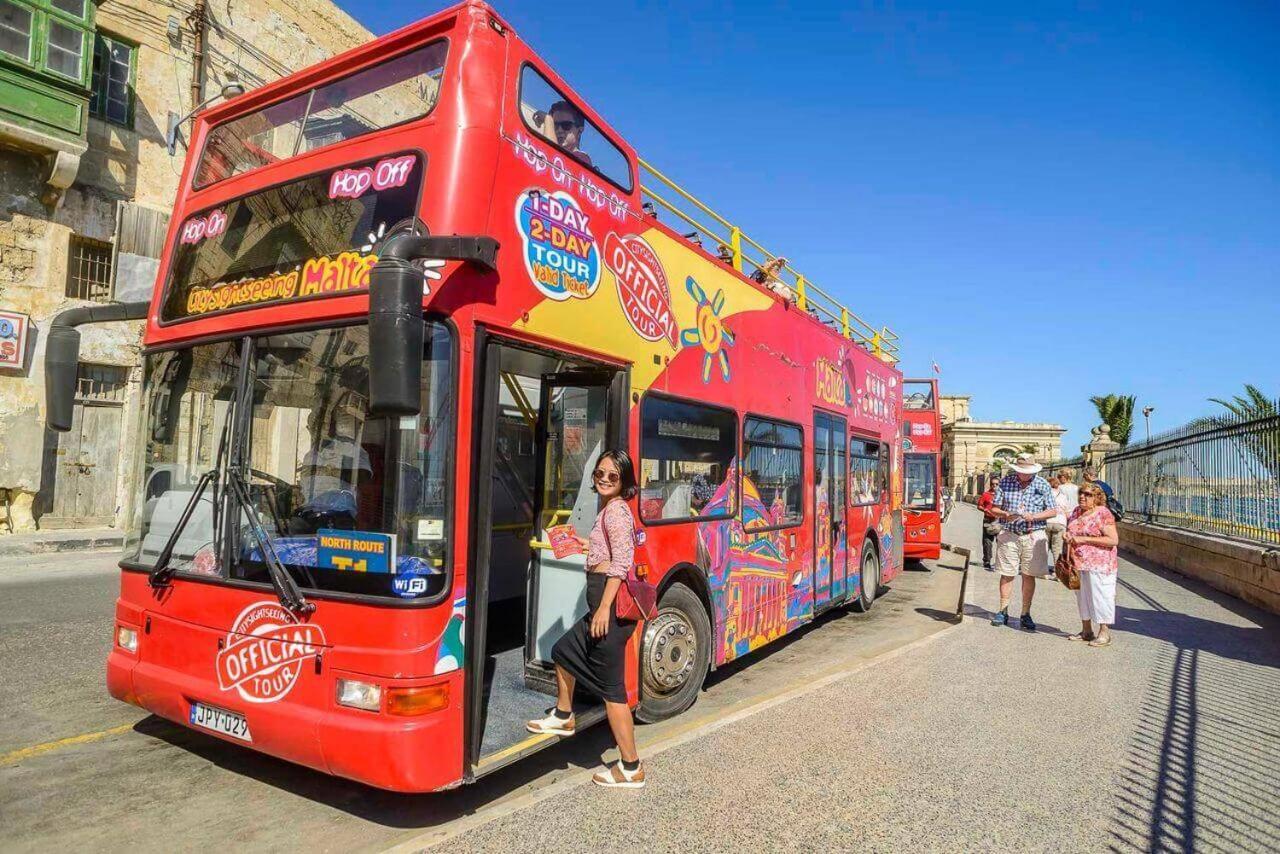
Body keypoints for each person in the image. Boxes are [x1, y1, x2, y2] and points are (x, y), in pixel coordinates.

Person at [526, 449, 645, 788]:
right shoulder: (607, 511)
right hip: (599, 610)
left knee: (613, 693)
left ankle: (631, 766)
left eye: (613, 476)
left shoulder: (617, 512)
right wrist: (583, 543)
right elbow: (606, 552)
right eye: (600, 473)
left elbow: (621, 563)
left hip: (610, 613)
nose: (604, 479)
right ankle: (564, 715)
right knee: (564, 651)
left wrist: (605, 608)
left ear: (624, 481)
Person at [988, 454, 1058, 630]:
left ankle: (1025, 613)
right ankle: (1003, 611)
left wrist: (1034, 516)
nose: (1023, 475)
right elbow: (994, 508)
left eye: (1027, 472)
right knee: (1007, 573)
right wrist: (1004, 514)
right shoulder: (1006, 482)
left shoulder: (1042, 484)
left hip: (1032, 533)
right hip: (1010, 533)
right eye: (1021, 471)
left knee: (1029, 574)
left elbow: (1052, 511)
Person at [1065, 482, 1120, 647]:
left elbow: (1113, 540)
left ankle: (1104, 632)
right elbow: (1073, 530)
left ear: (1097, 497)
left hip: (1100, 564)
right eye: (1081, 493)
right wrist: (1068, 536)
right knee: (1082, 597)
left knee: (1101, 596)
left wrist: (1084, 539)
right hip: (1078, 562)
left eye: (1088, 494)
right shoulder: (1076, 511)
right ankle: (1086, 630)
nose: (1082, 496)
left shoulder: (1103, 513)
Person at [539, 100, 592, 166]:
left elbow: (550, 161)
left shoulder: (582, 158)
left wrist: (547, 119)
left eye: (566, 125)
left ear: (579, 131)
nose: (559, 130)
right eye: (555, 125)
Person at [976, 478, 999, 569]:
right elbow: (979, 506)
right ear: (990, 485)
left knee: (1001, 542)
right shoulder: (986, 494)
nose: (995, 486)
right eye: (993, 484)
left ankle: (1000, 561)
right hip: (988, 520)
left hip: (1000, 521)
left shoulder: (1002, 495)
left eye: (997, 484)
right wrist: (985, 509)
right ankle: (987, 561)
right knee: (987, 542)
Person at [1046, 475, 1069, 562]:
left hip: (1047, 521)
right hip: (1060, 522)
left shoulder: (1046, 495)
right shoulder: (1063, 496)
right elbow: (1067, 512)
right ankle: (1057, 570)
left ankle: (1044, 572)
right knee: (1057, 548)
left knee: (1045, 547)